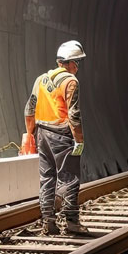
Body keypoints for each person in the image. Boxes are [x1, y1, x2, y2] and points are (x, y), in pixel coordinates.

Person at [23, 40, 89, 236]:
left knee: (47, 178)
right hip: (61, 134)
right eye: (76, 62)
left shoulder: (41, 80)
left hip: (42, 133)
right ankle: (71, 222)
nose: (77, 66)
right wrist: (79, 140)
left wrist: (30, 133)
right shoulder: (70, 82)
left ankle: (48, 222)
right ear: (68, 63)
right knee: (69, 178)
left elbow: (29, 109)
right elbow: (74, 114)